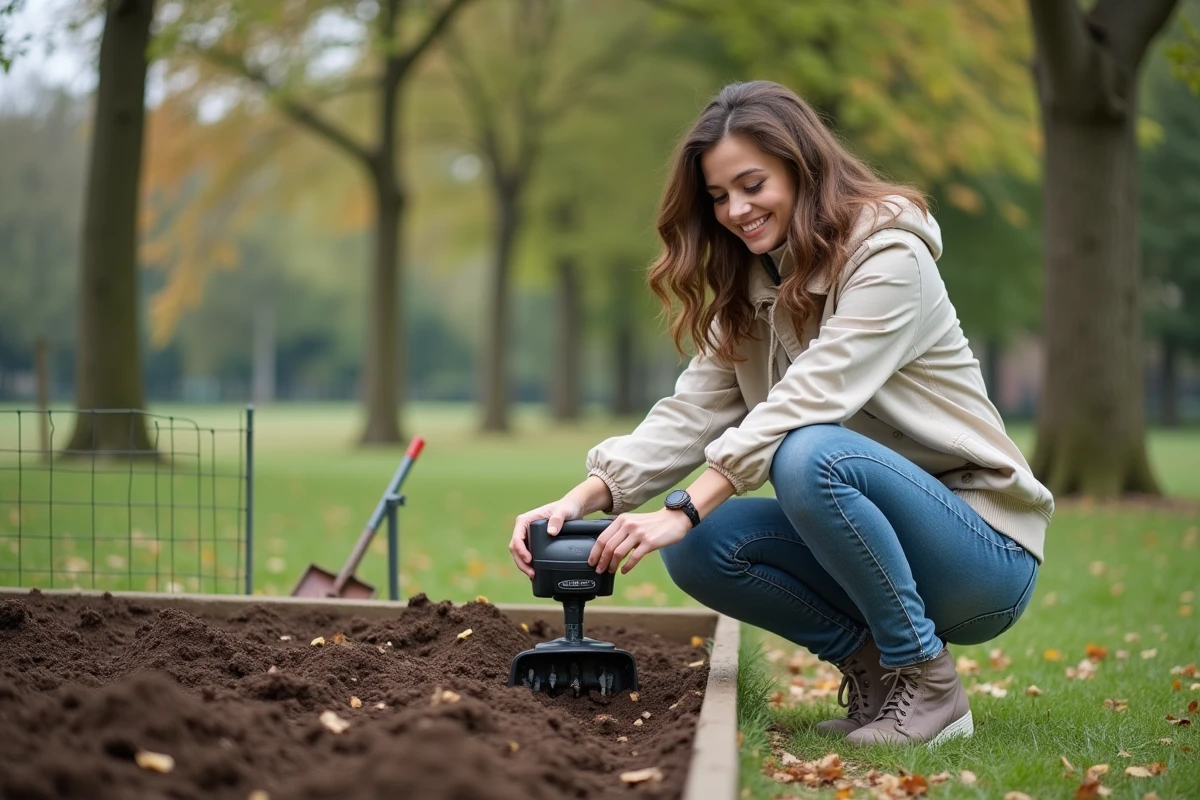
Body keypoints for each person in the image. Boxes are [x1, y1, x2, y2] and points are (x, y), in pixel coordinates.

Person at [508, 80, 1053, 747]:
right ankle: (878, 669)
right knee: (704, 546)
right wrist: (583, 497)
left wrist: (684, 505)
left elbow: (809, 400)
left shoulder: (889, 257)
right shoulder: (751, 281)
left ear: (800, 166)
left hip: (981, 551)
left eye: (752, 184)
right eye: (718, 197)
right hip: (878, 535)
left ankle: (930, 680)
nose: (736, 210)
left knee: (807, 454)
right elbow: (690, 412)